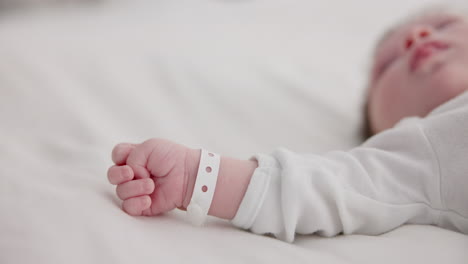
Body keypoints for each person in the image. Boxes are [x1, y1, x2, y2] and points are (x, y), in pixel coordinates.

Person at [106, 7, 468, 243]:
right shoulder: (422, 150)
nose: (416, 37)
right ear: (388, 130)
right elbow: (328, 184)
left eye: (445, 24)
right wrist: (195, 176)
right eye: (388, 65)